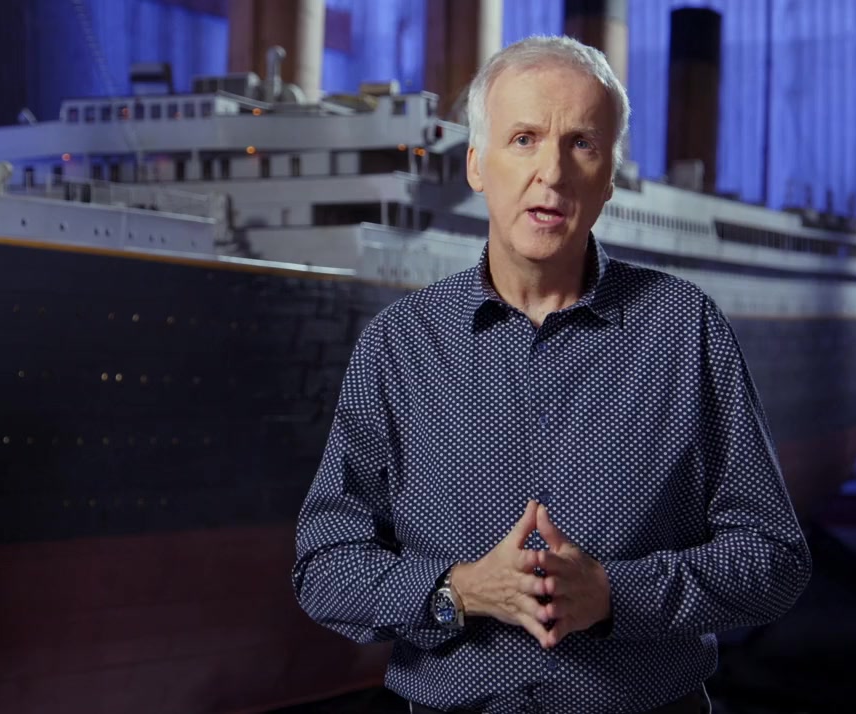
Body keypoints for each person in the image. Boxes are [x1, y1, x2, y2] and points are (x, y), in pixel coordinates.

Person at [290, 34, 812, 714]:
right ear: (476, 164)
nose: (553, 173)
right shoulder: (398, 345)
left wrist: (615, 595)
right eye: (524, 139)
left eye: (581, 144)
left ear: (609, 180)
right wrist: (459, 591)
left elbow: (775, 557)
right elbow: (324, 567)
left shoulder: (686, 330)